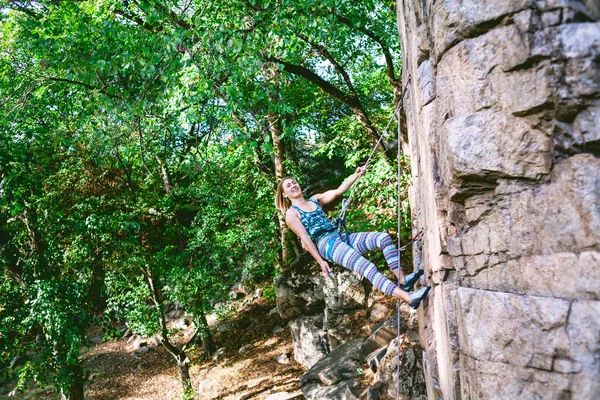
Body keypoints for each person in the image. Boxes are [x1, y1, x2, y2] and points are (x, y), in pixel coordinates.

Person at [275, 166, 430, 309]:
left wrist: (355, 175)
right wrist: (320, 261)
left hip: (340, 237)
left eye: (294, 182)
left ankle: (403, 280)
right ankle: (409, 299)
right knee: (368, 268)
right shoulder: (292, 214)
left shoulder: (315, 199)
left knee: (383, 238)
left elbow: (338, 191)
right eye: (288, 186)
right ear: (284, 194)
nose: (293, 186)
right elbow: (305, 239)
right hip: (327, 245)